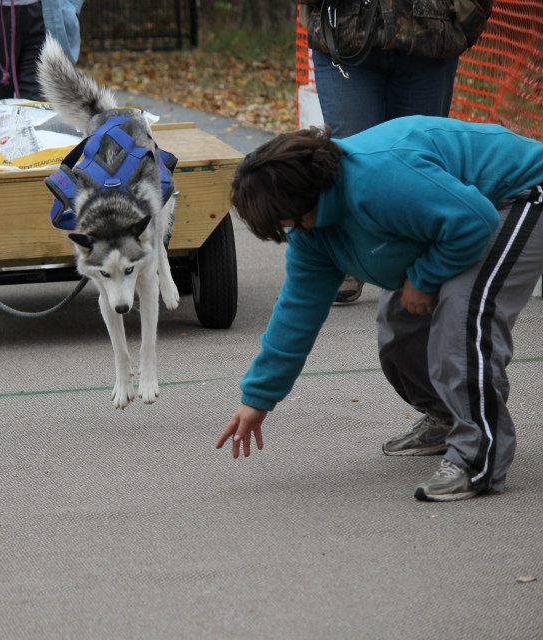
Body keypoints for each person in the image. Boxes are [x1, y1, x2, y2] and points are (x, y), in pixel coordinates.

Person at [216, 116, 543, 501]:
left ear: (308, 196)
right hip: (462, 214)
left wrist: (424, 279)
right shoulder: (312, 233)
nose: (290, 230)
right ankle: (447, 416)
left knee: (464, 317)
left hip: (520, 195)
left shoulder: (379, 179)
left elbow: (473, 221)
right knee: (399, 325)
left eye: (287, 219)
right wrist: (257, 399)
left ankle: (478, 458)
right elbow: (296, 313)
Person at [301, 0, 493, 304]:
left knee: (419, 159)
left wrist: (467, 16)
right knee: (352, 154)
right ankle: (350, 258)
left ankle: (422, 266)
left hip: (430, 35)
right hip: (343, 32)